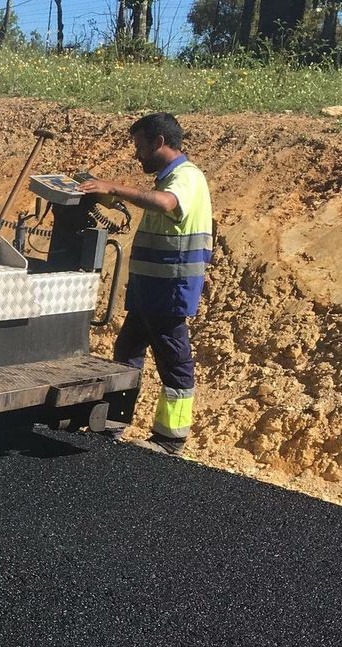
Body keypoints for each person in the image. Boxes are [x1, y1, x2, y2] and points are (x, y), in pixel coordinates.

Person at [78, 112, 213, 456]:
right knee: (127, 351)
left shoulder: (185, 177)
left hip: (169, 290)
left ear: (159, 142)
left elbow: (167, 204)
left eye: (140, 146)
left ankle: (170, 439)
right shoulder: (169, 179)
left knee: (173, 359)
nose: (136, 155)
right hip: (150, 289)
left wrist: (113, 187)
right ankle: (113, 423)